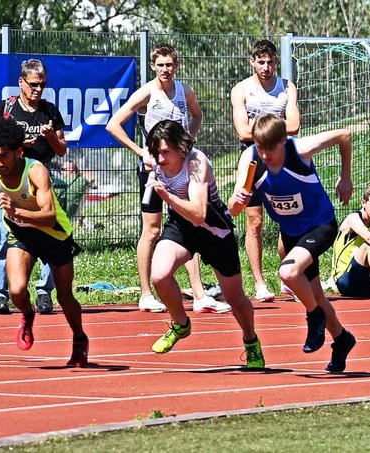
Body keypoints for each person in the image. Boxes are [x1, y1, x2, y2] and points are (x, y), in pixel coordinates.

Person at [106, 43, 230, 314]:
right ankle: (146, 293)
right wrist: (142, 153)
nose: (165, 69)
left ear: (177, 65)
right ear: (153, 66)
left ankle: (199, 295)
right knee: (151, 230)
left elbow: (197, 115)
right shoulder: (148, 92)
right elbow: (113, 124)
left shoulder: (184, 91)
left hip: (182, 170)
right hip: (154, 170)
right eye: (160, 65)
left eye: (169, 65)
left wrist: (188, 142)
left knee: (190, 225)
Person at [228, 113, 356, 373]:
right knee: (316, 293)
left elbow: (344, 135)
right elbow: (234, 210)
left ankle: (314, 316)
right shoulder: (250, 159)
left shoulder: (300, 149)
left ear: (283, 141)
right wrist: (238, 199)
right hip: (291, 233)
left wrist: (345, 176)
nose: (265, 155)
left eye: (270, 148)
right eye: (260, 147)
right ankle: (342, 339)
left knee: (288, 272)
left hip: (320, 225)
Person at [144, 120, 264, 369]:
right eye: (156, 153)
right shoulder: (156, 162)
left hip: (213, 228)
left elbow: (199, 213)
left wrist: (167, 196)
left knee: (235, 297)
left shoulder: (196, 163)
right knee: (160, 275)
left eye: (166, 152)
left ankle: (251, 342)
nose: (161, 159)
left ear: (181, 147)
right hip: (181, 224)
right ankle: (180, 324)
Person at [0, 116, 89, 367]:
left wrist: (17, 212)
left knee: (64, 297)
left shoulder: (35, 171)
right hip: (22, 235)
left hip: (53, 235)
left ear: (19, 152)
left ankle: (79, 338)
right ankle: (28, 315)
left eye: (4, 156)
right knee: (17, 290)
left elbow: (50, 216)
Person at [0, 58, 67, 316]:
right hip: (10, 180)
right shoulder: (6, 109)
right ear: (21, 82)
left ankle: (44, 292)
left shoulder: (50, 111)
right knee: (2, 237)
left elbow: (62, 149)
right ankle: (0, 294)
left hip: (40, 180)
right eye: (32, 84)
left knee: (48, 233)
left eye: (42, 85)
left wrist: (50, 136)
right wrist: (20, 144)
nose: (37, 90)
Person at [231, 39, 301, 302]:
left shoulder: (286, 88)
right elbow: (242, 131)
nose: (266, 66)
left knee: (288, 219)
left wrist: (259, 127)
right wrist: (276, 127)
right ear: (252, 62)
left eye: (271, 61)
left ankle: (288, 276)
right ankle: (259, 282)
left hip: (284, 158)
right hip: (252, 157)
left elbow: (294, 124)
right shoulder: (242, 90)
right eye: (261, 61)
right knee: (255, 221)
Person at [331, 183, 370, 297]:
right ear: (363, 203)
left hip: (364, 279)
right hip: (345, 280)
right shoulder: (353, 219)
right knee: (367, 246)